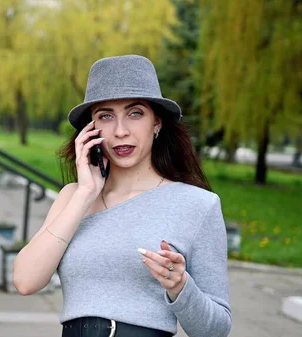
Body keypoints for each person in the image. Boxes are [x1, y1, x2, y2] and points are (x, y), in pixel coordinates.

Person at [12, 55, 231, 337]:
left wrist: (179, 286)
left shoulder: (197, 205)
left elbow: (216, 330)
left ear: (157, 123)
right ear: (90, 129)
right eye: (105, 116)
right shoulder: (72, 198)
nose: (120, 131)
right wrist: (86, 193)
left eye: (135, 113)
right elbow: (25, 281)